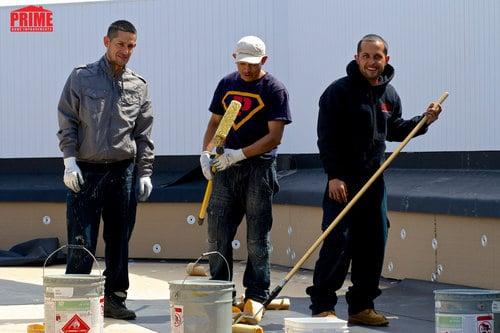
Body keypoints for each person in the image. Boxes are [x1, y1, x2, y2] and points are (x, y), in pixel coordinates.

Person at [306, 34, 442, 326]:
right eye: (366, 56)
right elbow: (326, 138)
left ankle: (361, 307)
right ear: (357, 58)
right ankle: (322, 306)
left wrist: (424, 121)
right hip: (342, 183)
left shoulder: (389, 95)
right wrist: (334, 176)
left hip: (374, 183)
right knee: (338, 244)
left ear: (386, 60)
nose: (371, 62)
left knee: (373, 243)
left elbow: (395, 131)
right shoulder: (338, 92)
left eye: (377, 57)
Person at [57, 20, 154, 320]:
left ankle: (114, 298)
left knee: (119, 239)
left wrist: (145, 171)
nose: (126, 51)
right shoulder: (81, 77)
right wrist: (69, 160)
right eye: (121, 44)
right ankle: (75, 302)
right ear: (106, 42)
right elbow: (67, 119)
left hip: (122, 172)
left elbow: (143, 133)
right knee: (81, 240)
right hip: (85, 171)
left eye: (132, 46)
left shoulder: (138, 85)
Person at [200, 35, 292, 307]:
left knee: (256, 236)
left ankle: (256, 294)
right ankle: (220, 291)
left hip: (259, 168)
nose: (248, 69)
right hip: (225, 168)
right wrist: (206, 153)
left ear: (264, 60)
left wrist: (239, 154)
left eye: (253, 64)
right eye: (243, 63)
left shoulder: (274, 89)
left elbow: (275, 137)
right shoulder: (227, 84)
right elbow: (216, 122)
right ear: (234, 59)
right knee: (217, 232)